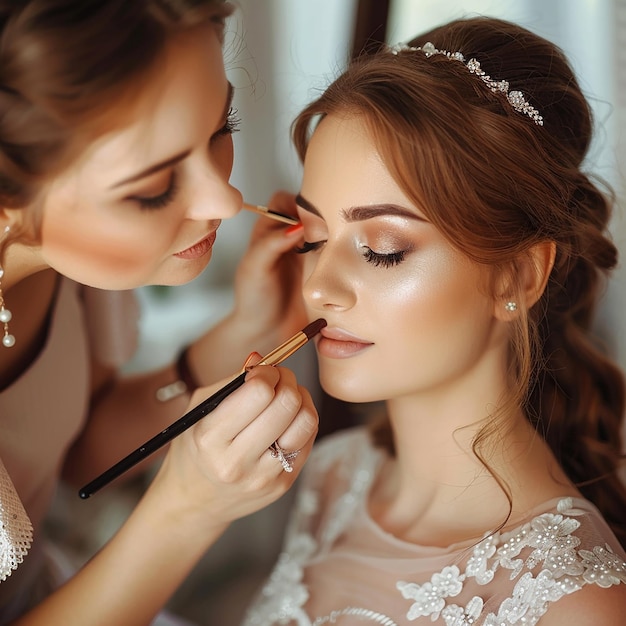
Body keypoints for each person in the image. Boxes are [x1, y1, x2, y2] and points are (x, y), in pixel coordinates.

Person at [242, 16, 626, 626]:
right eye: (313, 239)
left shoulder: (575, 600)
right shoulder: (334, 479)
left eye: (383, 249)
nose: (318, 288)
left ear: (518, 276)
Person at [0, 1, 318, 624]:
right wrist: (188, 508)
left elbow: (81, 452)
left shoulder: (74, 261)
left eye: (220, 126)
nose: (225, 201)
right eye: (152, 189)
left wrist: (243, 335)